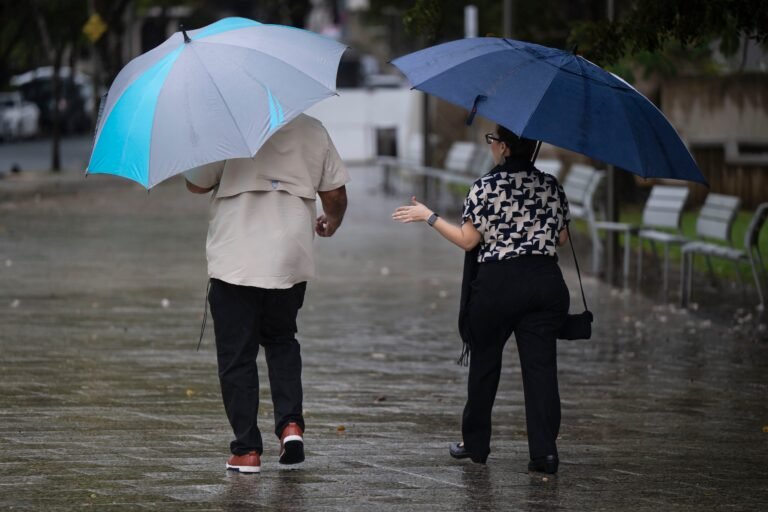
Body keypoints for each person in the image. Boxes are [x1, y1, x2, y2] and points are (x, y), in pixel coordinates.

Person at [392, 125, 570, 474]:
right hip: (544, 283)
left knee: (485, 364)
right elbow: (562, 238)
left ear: (504, 148)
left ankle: (476, 445)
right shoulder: (551, 185)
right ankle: (545, 452)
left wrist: (428, 216)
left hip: (498, 286)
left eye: (494, 141)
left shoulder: (485, 187)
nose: (492, 147)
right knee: (542, 370)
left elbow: (468, 240)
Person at [184, 113, 349, 474]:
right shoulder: (313, 128)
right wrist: (331, 221)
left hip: (237, 256)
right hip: (290, 253)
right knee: (281, 338)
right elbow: (335, 193)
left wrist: (197, 143)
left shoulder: (225, 125)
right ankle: (290, 426)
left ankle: (246, 451)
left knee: (236, 354)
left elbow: (196, 185)